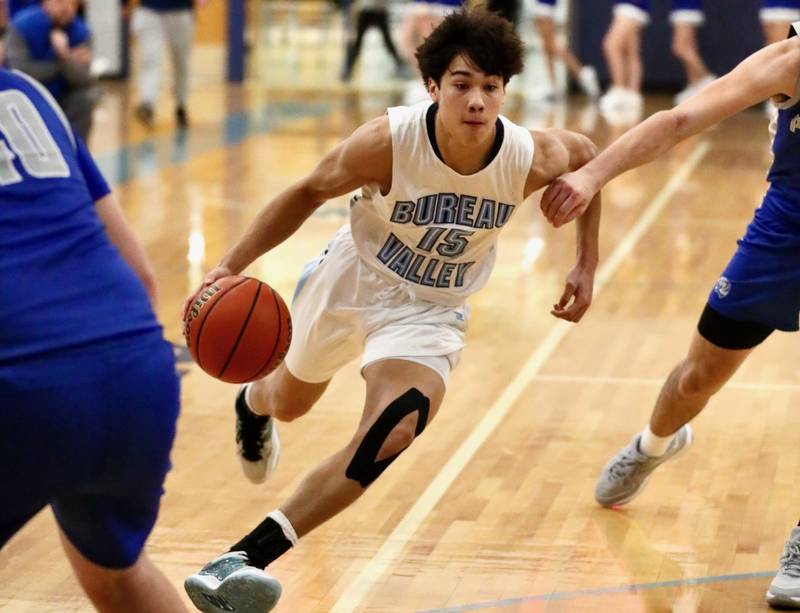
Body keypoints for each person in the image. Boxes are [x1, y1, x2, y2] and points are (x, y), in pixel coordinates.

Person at [182, 9, 602, 613]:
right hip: (353, 276)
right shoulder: (389, 141)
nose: (478, 100)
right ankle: (252, 404)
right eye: (462, 84)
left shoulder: (529, 156)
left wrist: (586, 262)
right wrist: (228, 267)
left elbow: (591, 161)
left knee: (394, 428)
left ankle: (242, 559)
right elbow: (305, 192)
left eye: (490, 86)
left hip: (431, 308)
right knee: (290, 403)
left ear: (505, 90)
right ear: (433, 87)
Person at [539, 22, 800, 610]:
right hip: (784, 234)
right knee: (697, 378)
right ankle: (654, 444)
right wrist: (591, 173)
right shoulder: (791, 59)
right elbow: (680, 121)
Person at [0, 67, 184, 612]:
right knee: (118, 577)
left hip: (27, 388)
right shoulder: (31, 93)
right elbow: (142, 277)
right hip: (136, 377)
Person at [5, 0, 97, 141]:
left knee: (85, 98)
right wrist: (62, 63)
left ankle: (78, 155)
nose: (66, 8)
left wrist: (65, 56)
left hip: (63, 96)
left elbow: (83, 80)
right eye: (59, 2)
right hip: (28, 97)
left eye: (72, 3)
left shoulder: (82, 31)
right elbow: (19, 74)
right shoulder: (21, 26)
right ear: (45, 3)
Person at [127, 0, 210, 129]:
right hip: (149, 11)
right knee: (151, 60)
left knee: (181, 63)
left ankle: (181, 103)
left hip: (181, 12)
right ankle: (147, 103)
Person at [532, 0, 600, 100]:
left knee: (551, 45)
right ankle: (552, 85)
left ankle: (582, 72)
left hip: (545, 7)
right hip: (544, 7)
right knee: (548, 47)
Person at [599, 0, 649, 115]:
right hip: (630, 5)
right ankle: (633, 94)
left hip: (632, 4)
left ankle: (619, 90)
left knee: (611, 45)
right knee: (630, 51)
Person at [340, 0, 407, 83]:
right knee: (357, 43)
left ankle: (400, 67)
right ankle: (347, 70)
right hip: (365, 10)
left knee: (388, 42)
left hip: (379, 10)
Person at [670, 0, 715, 105]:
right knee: (689, 47)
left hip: (687, 7)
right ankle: (695, 85)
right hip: (683, 7)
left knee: (681, 48)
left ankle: (707, 81)